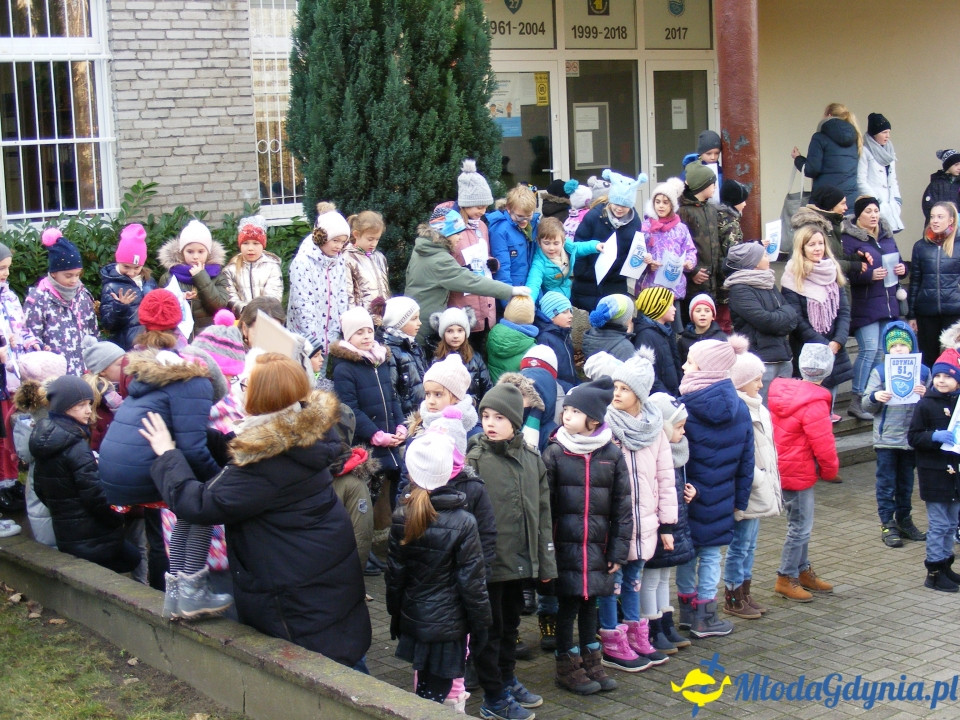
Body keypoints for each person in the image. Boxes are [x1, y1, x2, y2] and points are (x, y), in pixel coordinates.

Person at [140, 352, 372, 666]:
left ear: (260, 397)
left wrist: (167, 454)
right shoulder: (301, 429)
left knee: (328, 675)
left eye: (245, 383)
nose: (237, 386)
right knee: (345, 658)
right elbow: (242, 448)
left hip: (295, 601)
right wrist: (194, 435)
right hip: (318, 582)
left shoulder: (267, 463)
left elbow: (199, 504)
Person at [98, 337, 231, 619]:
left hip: (116, 471)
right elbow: (194, 449)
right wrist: (219, 484)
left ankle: (176, 595)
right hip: (139, 470)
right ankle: (193, 592)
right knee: (199, 508)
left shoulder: (155, 386)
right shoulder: (197, 385)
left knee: (184, 511)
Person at [466, 383, 556, 720]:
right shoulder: (475, 459)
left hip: (520, 565)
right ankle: (493, 696)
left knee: (510, 627)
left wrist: (544, 561)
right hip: (488, 566)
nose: (490, 422)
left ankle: (506, 679)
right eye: (486, 415)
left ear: (516, 422)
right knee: (489, 632)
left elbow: (543, 515)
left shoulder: (532, 460)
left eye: (499, 417)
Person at [386, 430, 492, 709]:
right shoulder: (464, 521)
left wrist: (396, 616)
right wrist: (481, 625)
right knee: (441, 691)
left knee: (425, 685)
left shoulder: (401, 515)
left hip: (415, 617)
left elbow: (395, 575)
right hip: (449, 626)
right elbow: (473, 582)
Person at [542, 378, 628, 694]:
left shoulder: (611, 456)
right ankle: (567, 666)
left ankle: (592, 661)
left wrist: (618, 551)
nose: (567, 415)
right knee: (567, 607)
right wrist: (547, 554)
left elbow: (622, 507)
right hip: (565, 549)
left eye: (575, 411)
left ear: (593, 418)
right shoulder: (554, 453)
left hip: (598, 549)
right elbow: (545, 509)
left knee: (589, 606)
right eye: (566, 409)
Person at [595, 354, 676, 670]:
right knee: (611, 584)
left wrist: (667, 523)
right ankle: (612, 641)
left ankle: (635, 635)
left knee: (634, 582)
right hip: (615, 523)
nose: (616, 393)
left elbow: (665, 476)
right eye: (615, 386)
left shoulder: (654, 429)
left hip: (645, 523)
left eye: (625, 388)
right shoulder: (606, 426)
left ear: (640, 394)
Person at [675, 336, 753, 638]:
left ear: (705, 368)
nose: (684, 365)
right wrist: (740, 502)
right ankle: (706, 616)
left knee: (688, 552)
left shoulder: (682, 407)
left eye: (691, 361)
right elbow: (747, 460)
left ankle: (686, 611)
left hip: (687, 495)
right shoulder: (740, 407)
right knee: (710, 555)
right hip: (722, 497)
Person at [30, 375, 139, 573]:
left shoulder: (46, 438)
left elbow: (39, 487)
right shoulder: (75, 444)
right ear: (63, 407)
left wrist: (63, 510)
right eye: (80, 405)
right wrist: (116, 518)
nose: (89, 410)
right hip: (95, 536)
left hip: (67, 533)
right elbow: (95, 495)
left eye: (89, 403)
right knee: (131, 559)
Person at [768, 343, 839, 602]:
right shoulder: (816, 401)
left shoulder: (783, 392)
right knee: (800, 526)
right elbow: (824, 442)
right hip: (798, 470)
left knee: (799, 523)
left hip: (783, 465)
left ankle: (802, 569)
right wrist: (830, 471)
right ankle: (786, 576)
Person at [404, 209, 526, 348]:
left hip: (415, 317)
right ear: (445, 234)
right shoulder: (439, 260)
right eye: (457, 233)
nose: (460, 237)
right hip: (426, 326)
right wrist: (511, 291)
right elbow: (472, 282)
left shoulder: (423, 249)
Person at [724, 352, 783, 619]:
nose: (761, 385)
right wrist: (758, 478)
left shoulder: (759, 406)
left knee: (751, 544)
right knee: (740, 544)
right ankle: (733, 595)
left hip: (759, 485)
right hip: (748, 488)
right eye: (756, 380)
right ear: (741, 382)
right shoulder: (738, 410)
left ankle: (745, 591)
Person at [330, 307, 406, 509]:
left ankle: (394, 530)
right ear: (348, 335)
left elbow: (392, 397)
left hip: (391, 439)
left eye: (369, 331)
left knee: (397, 493)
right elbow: (350, 409)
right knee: (370, 496)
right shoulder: (344, 368)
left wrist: (401, 425)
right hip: (367, 444)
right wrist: (375, 434)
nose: (366, 337)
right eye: (359, 332)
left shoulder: (380, 361)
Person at [863, 322, 929, 548]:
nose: (899, 349)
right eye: (894, 345)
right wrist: (875, 397)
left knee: (906, 483)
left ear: (911, 346)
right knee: (886, 483)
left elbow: (933, 407)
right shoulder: (879, 371)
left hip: (911, 439)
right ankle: (887, 523)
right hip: (886, 439)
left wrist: (926, 394)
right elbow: (865, 404)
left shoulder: (923, 372)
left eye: (903, 344)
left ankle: (904, 520)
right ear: (887, 349)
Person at [841, 196, 906, 420]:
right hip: (864, 303)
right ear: (858, 215)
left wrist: (901, 269)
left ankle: (873, 396)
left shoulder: (887, 235)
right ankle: (857, 398)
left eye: (876, 210)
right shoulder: (849, 239)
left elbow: (900, 261)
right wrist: (869, 274)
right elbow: (846, 271)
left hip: (888, 302)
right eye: (868, 211)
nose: (874, 215)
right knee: (868, 350)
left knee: (880, 352)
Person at [781, 224, 852, 420]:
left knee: (827, 407)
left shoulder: (833, 271)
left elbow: (844, 311)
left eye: (820, 243)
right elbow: (796, 319)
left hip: (834, 346)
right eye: (812, 244)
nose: (817, 248)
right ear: (801, 248)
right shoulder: (792, 276)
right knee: (812, 413)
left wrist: (838, 341)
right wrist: (822, 345)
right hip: (808, 348)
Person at [643, 392, 696, 649]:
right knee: (651, 579)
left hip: (673, 524)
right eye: (678, 427)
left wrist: (688, 493)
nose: (683, 433)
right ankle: (652, 629)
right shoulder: (654, 455)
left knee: (665, 577)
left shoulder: (677, 452)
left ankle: (666, 623)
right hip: (658, 527)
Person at [908, 350, 960, 592]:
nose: (941, 380)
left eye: (948, 377)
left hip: (955, 473)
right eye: (937, 375)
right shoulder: (925, 404)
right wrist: (933, 436)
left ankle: (946, 564)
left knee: (951, 523)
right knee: (939, 524)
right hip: (934, 473)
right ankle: (934, 571)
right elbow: (913, 437)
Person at [724, 242, 798, 400]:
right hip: (761, 360)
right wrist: (782, 320)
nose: (768, 257)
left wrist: (780, 320)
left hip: (784, 356)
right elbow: (766, 321)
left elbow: (793, 315)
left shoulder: (768, 283)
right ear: (754, 262)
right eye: (764, 255)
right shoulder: (740, 289)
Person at [0, 240, 41, 513]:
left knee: (14, 428)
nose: (5, 274)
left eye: (7, 268)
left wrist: (29, 341)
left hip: (13, 373)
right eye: (1, 269)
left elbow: (20, 327)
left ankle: (12, 479)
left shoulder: (9, 296)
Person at [11, 352, 68, 544]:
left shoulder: (26, 416)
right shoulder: (47, 415)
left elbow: (24, 453)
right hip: (51, 485)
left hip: (38, 485)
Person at [23, 228, 98, 375]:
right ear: (53, 273)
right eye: (68, 275)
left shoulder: (83, 294)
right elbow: (30, 336)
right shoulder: (38, 299)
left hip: (86, 371)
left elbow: (93, 331)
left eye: (78, 275)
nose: (74, 280)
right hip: (55, 374)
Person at [570, 169, 647, 310]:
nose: (619, 209)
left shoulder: (635, 222)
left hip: (615, 283)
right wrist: (583, 272)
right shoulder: (594, 216)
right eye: (616, 204)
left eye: (624, 206)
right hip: (588, 283)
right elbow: (579, 244)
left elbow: (632, 252)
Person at [442, 160, 499, 347]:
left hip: (485, 301)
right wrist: (460, 270)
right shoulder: (450, 228)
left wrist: (492, 263)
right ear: (465, 204)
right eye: (478, 207)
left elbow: (485, 253)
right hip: (463, 301)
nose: (482, 211)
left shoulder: (482, 226)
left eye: (485, 206)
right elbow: (442, 263)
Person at [286, 203, 352, 358]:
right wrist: (313, 340)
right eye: (335, 240)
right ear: (321, 237)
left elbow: (342, 295)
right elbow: (302, 303)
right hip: (306, 339)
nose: (339, 246)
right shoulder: (302, 263)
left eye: (343, 242)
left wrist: (341, 327)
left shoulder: (339, 261)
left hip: (331, 334)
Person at [158, 219, 230, 338]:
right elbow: (161, 311)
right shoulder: (169, 277)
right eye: (190, 251)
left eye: (201, 251)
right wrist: (180, 299)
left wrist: (201, 277)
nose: (195, 256)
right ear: (181, 252)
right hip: (178, 338)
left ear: (208, 252)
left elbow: (218, 307)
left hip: (207, 338)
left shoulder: (218, 276)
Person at [908, 201, 960, 367]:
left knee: (952, 359)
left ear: (951, 220)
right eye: (932, 217)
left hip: (954, 311)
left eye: (940, 217)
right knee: (928, 359)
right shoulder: (920, 246)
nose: (935, 221)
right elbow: (915, 281)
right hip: (927, 312)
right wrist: (911, 314)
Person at [99, 223, 159, 350]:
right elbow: (108, 324)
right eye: (126, 267)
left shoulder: (149, 281)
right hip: (127, 348)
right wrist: (120, 307)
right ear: (118, 260)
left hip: (151, 345)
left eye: (136, 267)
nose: (131, 272)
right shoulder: (111, 286)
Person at [638, 177, 697, 305]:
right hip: (650, 287)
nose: (661, 206)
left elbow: (690, 250)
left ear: (672, 205)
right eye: (657, 202)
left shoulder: (681, 228)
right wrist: (647, 264)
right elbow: (636, 252)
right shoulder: (645, 227)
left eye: (665, 202)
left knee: (674, 322)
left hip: (673, 287)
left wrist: (689, 262)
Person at [791, 102, 862, 209]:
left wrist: (798, 159)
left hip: (826, 200)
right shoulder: (855, 138)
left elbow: (811, 170)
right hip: (849, 201)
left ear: (828, 116)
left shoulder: (819, 137)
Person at [677, 163, 722, 326]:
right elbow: (679, 246)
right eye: (713, 183)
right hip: (692, 281)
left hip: (711, 280)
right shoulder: (682, 211)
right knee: (692, 323)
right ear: (702, 186)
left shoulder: (710, 209)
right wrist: (692, 271)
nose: (716, 187)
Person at [790, 185, 861, 278]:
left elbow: (835, 256)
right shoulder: (814, 228)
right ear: (831, 205)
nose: (846, 207)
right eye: (842, 203)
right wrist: (851, 265)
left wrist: (855, 258)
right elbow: (821, 262)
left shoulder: (833, 225)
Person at [524, 217, 602, 302]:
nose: (551, 248)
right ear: (539, 242)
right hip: (551, 301)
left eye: (556, 243)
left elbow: (578, 247)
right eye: (546, 243)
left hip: (566, 293)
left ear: (563, 242)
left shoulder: (567, 248)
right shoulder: (539, 262)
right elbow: (533, 283)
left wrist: (595, 246)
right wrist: (529, 301)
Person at [375, 296, 427, 417]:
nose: (419, 323)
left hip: (422, 415)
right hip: (406, 420)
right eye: (413, 319)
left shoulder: (413, 345)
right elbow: (392, 392)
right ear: (399, 322)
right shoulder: (389, 352)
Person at [487, 184, 541, 296]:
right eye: (520, 216)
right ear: (508, 209)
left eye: (528, 216)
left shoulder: (535, 225)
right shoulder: (500, 230)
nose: (525, 221)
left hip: (532, 289)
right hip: (512, 292)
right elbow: (502, 271)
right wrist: (509, 301)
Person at [222, 215, 283, 313]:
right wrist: (245, 310)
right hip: (241, 319)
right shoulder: (230, 269)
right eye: (245, 243)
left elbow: (274, 295)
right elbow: (230, 297)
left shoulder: (272, 267)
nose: (250, 248)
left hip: (267, 317)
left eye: (255, 243)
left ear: (263, 245)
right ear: (240, 245)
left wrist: (261, 312)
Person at [429, 306, 492, 401]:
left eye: (460, 330)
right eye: (450, 331)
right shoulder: (437, 360)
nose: (455, 336)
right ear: (443, 333)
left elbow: (487, 387)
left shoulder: (475, 358)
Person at [857, 113, 903, 233]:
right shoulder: (864, 151)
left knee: (889, 237)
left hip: (891, 204)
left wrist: (897, 199)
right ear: (874, 133)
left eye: (889, 132)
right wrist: (875, 202)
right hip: (875, 204)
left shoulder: (889, 151)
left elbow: (893, 180)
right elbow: (860, 180)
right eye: (884, 132)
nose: (888, 136)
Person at [633, 287, 682, 397]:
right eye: (670, 305)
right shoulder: (645, 336)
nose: (674, 309)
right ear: (658, 307)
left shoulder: (666, 330)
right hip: (663, 400)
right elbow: (649, 375)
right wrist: (668, 399)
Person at [343, 210, 390, 311]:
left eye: (377, 239)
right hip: (363, 318)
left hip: (383, 315)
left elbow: (385, 287)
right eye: (370, 239)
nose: (374, 243)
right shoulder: (348, 258)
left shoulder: (379, 257)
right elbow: (348, 294)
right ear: (356, 234)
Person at [486, 296, 538, 384]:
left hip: (494, 392)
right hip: (516, 395)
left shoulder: (492, 335)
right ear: (531, 316)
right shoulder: (533, 349)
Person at [533, 292, 577, 392]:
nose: (570, 316)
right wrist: (571, 390)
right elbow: (547, 375)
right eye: (565, 312)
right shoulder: (545, 338)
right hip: (559, 392)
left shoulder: (564, 333)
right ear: (552, 315)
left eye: (570, 311)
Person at [582, 294, 636, 363]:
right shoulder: (625, 348)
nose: (631, 317)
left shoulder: (592, 334)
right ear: (622, 319)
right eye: (629, 314)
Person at [677, 293, 727, 365]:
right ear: (691, 316)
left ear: (713, 316)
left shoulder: (722, 339)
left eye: (707, 311)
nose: (702, 314)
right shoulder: (683, 341)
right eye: (698, 311)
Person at [681, 130, 724, 205]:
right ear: (701, 153)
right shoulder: (690, 172)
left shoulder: (720, 171)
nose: (713, 157)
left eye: (717, 153)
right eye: (708, 153)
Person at [922, 149, 960, 225]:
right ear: (947, 166)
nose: (959, 167)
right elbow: (928, 205)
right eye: (956, 164)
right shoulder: (936, 184)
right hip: (939, 226)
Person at [717, 179, 751, 258]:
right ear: (734, 201)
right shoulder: (731, 224)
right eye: (742, 201)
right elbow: (734, 253)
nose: (745, 204)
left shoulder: (720, 215)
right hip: (727, 268)